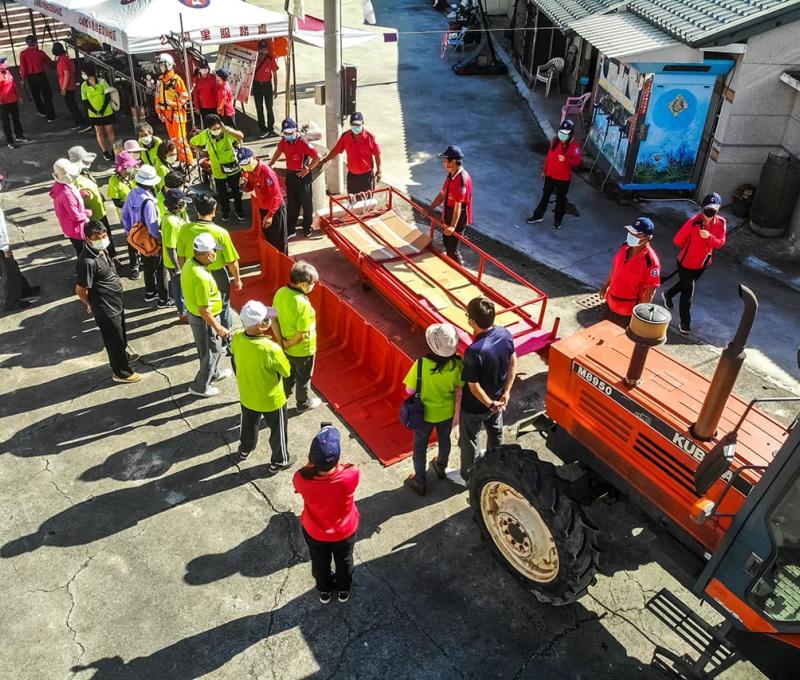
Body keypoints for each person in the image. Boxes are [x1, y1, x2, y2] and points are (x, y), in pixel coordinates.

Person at [293, 425, 360, 603]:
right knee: (345, 561)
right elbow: (347, 467)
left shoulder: (301, 479)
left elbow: (305, 474)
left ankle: (324, 590)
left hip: (315, 532)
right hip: (344, 532)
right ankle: (343, 590)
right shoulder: (351, 475)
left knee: (319, 562)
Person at [458, 297, 517, 483]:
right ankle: (495, 464)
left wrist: (490, 404)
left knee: (470, 441)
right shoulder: (505, 334)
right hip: (499, 400)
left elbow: (474, 387)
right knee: (496, 434)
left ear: (472, 322)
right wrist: (506, 392)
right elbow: (513, 361)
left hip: (477, 407)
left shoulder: (474, 351)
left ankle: (470, 476)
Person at [75, 220, 141, 384]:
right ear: (88, 239)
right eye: (98, 238)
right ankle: (121, 372)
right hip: (105, 307)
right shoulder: (87, 261)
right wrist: (89, 303)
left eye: (104, 236)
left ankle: (123, 356)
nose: (102, 240)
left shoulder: (101, 250)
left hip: (115, 301)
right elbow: (80, 290)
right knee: (114, 340)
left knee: (121, 335)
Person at [231, 300, 292, 470]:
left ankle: (244, 450)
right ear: (262, 326)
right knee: (278, 431)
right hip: (272, 400)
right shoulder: (270, 349)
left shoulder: (237, 338)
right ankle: (279, 460)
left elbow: (234, 356)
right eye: (267, 319)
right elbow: (286, 371)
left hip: (247, 396)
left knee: (248, 425)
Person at [402, 323, 463, 496]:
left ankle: (420, 480)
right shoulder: (457, 364)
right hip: (447, 412)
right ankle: (441, 466)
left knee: (420, 446)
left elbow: (409, 390)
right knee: (444, 439)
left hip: (423, 415)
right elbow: (460, 386)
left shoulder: (421, 365)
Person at [662, 193, 727, 335]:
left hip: (704, 263)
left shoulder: (720, 223)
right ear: (703, 208)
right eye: (708, 209)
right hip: (686, 263)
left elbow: (720, 243)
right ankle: (685, 322)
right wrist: (690, 246)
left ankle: (668, 294)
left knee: (686, 284)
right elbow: (678, 240)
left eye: (713, 210)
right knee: (688, 292)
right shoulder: (693, 222)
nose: (710, 213)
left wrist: (709, 237)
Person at [176, 194, 242, 330]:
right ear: (214, 209)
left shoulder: (184, 229)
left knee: (199, 307)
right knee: (222, 306)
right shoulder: (221, 232)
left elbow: (180, 257)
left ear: (195, 209)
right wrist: (237, 279)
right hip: (217, 275)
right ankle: (225, 337)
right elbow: (231, 260)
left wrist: (186, 272)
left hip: (194, 272)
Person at [181, 232, 232, 398]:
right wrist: (219, 328)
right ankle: (200, 386)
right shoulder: (201, 277)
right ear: (204, 254)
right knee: (211, 351)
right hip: (204, 321)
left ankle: (214, 373)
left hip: (197, 316)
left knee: (208, 350)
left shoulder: (190, 264)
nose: (215, 255)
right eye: (213, 252)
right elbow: (204, 309)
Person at [273, 260, 322, 412]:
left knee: (288, 374)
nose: (314, 286)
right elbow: (302, 333)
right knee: (303, 377)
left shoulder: (280, 292)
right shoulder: (303, 304)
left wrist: (282, 342)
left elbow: (273, 318)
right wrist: (288, 344)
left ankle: (283, 394)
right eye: (314, 283)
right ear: (304, 285)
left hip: (285, 347)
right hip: (303, 350)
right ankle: (303, 402)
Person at [121, 164, 170, 307]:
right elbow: (153, 227)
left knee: (147, 266)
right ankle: (163, 299)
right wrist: (160, 240)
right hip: (151, 240)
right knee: (161, 270)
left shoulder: (132, 193)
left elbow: (125, 216)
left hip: (139, 240)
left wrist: (131, 233)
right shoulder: (148, 202)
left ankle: (150, 292)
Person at [600, 217, 661, 328]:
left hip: (627, 311)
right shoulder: (624, 248)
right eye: (630, 232)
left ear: (647, 238)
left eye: (636, 234)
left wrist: (640, 316)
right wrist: (605, 286)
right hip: (610, 302)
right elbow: (615, 268)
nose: (631, 235)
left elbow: (650, 293)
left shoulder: (651, 262)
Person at [526, 119, 582, 230]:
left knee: (560, 200)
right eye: (561, 132)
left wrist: (566, 160)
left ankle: (557, 221)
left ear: (570, 134)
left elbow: (578, 162)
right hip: (550, 175)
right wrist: (544, 170)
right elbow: (549, 157)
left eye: (565, 134)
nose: (562, 135)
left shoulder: (574, 147)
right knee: (545, 196)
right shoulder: (555, 140)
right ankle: (538, 216)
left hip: (563, 178)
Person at [307, 112, 381, 194]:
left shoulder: (370, 138)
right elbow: (336, 150)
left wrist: (379, 171)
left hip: (366, 176)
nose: (356, 127)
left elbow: (377, 155)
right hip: (352, 176)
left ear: (362, 123)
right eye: (353, 124)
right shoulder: (346, 136)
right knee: (352, 201)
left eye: (358, 124)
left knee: (367, 202)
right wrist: (325, 160)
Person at [68, 145, 119, 264]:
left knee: (106, 236)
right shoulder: (73, 179)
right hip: (91, 216)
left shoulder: (86, 172)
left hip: (100, 210)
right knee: (97, 240)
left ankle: (112, 256)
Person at [190, 115, 245, 221]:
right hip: (218, 169)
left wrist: (227, 130)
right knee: (222, 193)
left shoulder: (227, 132)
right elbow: (192, 142)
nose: (217, 131)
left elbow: (240, 136)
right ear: (208, 129)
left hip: (232, 167)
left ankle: (240, 211)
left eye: (218, 128)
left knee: (236, 191)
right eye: (213, 129)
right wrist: (201, 150)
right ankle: (226, 212)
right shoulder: (205, 135)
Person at [270, 118, 318, 238]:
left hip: (302, 177)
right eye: (285, 133)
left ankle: (307, 227)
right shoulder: (284, 142)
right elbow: (279, 150)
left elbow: (318, 157)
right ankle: (291, 229)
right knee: (292, 204)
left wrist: (308, 168)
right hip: (291, 176)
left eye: (290, 132)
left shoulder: (303, 142)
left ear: (296, 131)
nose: (288, 135)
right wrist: (271, 163)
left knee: (307, 204)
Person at [238, 147, 287, 254]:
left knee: (279, 241)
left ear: (254, 158)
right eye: (242, 164)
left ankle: (284, 263)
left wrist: (270, 215)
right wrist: (244, 185)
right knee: (269, 238)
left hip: (275, 210)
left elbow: (277, 196)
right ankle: (274, 260)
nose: (245, 166)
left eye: (247, 162)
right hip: (263, 208)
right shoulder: (249, 171)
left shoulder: (266, 172)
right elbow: (250, 188)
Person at [429, 144, 472, 266]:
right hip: (448, 213)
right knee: (447, 243)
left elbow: (459, 205)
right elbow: (443, 194)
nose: (443, 162)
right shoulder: (451, 174)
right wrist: (430, 208)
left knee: (452, 249)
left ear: (453, 161)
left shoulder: (462, 179)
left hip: (457, 217)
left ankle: (460, 269)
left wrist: (453, 226)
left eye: (445, 160)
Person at [107, 151, 141, 280]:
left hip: (140, 214)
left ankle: (143, 258)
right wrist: (131, 206)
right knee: (131, 241)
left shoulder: (135, 175)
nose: (130, 169)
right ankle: (134, 266)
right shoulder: (113, 180)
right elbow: (116, 201)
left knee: (142, 237)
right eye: (127, 167)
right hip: (126, 217)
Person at [154, 53, 193, 164]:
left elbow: (185, 96)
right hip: (166, 114)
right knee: (173, 140)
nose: (160, 67)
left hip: (177, 114)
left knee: (181, 140)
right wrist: (159, 111)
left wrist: (174, 104)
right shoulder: (160, 81)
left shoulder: (176, 79)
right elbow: (157, 96)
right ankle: (181, 160)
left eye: (162, 65)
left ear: (168, 65)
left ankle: (189, 162)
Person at [1, 203, 40, 311]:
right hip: (1, 247)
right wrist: (4, 248)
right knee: (9, 273)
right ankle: (11, 302)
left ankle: (22, 290)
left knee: (13, 268)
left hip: (3, 245)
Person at [161, 188, 191, 323]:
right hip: (175, 262)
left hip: (179, 260)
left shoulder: (174, 217)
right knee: (179, 289)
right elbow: (170, 247)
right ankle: (183, 312)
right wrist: (177, 267)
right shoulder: (172, 222)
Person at [50, 159, 92, 256]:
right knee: (84, 254)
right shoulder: (67, 194)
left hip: (69, 228)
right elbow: (76, 216)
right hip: (77, 230)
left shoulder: (59, 186)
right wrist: (87, 213)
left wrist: (78, 194)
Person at [80, 63, 115, 161]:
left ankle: (113, 150)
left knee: (110, 131)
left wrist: (103, 110)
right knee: (99, 132)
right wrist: (95, 111)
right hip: (94, 114)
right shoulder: (84, 86)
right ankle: (105, 151)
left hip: (107, 112)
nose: (82, 75)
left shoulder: (102, 82)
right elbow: (85, 101)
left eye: (83, 73)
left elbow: (108, 96)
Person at [52, 42, 89, 132]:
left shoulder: (63, 60)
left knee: (72, 105)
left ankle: (81, 122)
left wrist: (64, 88)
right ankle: (79, 121)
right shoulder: (65, 58)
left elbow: (67, 74)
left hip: (68, 86)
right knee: (71, 105)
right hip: (70, 85)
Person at [19, 35, 56, 123]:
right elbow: (49, 63)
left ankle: (41, 111)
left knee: (36, 95)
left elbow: (23, 68)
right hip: (41, 75)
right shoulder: (40, 53)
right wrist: (55, 67)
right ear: (35, 42)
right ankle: (51, 116)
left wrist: (22, 79)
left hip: (31, 77)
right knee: (47, 95)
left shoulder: (23, 54)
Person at [0, 56, 29, 150]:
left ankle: (19, 135)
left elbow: (13, 85)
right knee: (6, 122)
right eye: (2, 62)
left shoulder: (7, 72)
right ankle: (10, 141)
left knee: (16, 119)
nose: (5, 64)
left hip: (12, 100)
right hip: (3, 103)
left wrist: (18, 96)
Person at [252, 40, 279, 138]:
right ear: (259, 49)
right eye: (262, 49)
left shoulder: (270, 59)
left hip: (267, 85)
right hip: (257, 85)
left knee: (269, 108)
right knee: (259, 108)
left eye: (265, 48)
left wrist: (275, 89)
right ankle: (262, 128)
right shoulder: (254, 59)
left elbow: (275, 74)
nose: (264, 50)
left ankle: (271, 128)